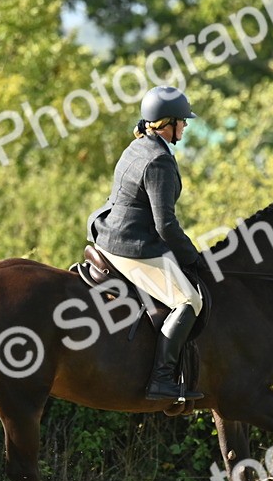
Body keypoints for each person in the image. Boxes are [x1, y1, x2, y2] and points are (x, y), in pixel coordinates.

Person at [87, 86, 205, 401]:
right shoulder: (160, 161)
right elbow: (165, 225)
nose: (186, 126)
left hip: (109, 232)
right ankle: (162, 379)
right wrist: (193, 257)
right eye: (182, 120)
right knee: (188, 301)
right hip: (131, 245)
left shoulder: (138, 145)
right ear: (168, 124)